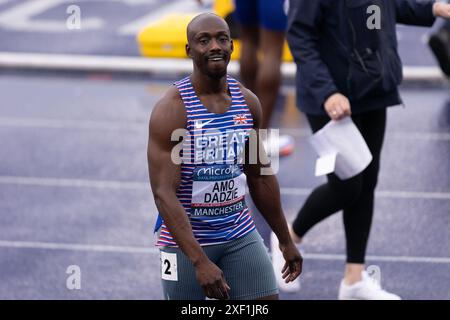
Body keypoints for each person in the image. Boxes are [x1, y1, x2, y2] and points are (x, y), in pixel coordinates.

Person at [274, 0, 450, 300]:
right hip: (331, 96)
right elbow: (300, 35)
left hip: (373, 86)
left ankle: (353, 280)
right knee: (346, 185)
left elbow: (390, 6)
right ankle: (289, 237)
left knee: (367, 183)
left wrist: (433, 8)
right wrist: (327, 92)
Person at [147, 13, 302, 300]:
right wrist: (199, 260)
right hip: (183, 244)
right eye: (203, 41)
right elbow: (163, 193)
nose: (215, 46)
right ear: (189, 50)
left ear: (232, 45)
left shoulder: (248, 103)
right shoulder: (172, 110)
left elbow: (260, 175)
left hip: (238, 234)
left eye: (221, 38)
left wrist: (284, 239)